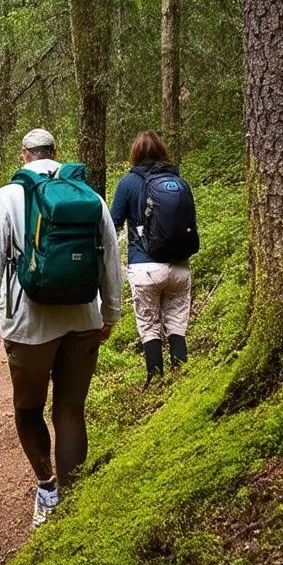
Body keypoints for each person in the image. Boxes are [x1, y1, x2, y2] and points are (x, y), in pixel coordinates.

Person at [0, 128, 122, 527]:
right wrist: (110, 313)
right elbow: (110, 255)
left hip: (29, 323)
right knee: (71, 411)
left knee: (28, 409)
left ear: (25, 154)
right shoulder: (87, 194)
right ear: (56, 153)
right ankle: (76, 507)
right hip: (82, 319)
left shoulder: (9, 195)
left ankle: (48, 490)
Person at [110, 130, 196, 384]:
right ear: (162, 151)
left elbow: (113, 222)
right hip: (179, 265)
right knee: (177, 322)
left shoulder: (128, 183)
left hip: (144, 265)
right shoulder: (178, 181)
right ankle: (181, 378)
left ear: (134, 154)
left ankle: (155, 379)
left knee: (149, 326)